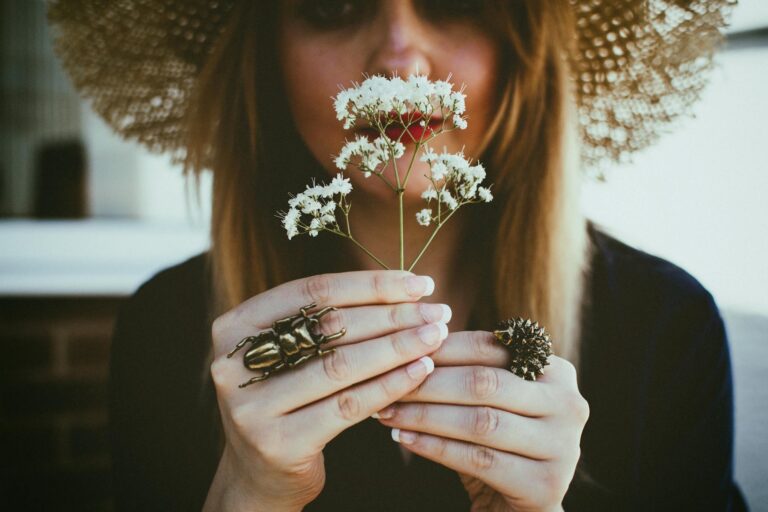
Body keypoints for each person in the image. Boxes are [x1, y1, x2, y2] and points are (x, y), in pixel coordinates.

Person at [49, 0, 749, 510]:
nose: (398, 58)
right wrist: (246, 499)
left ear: (526, 47)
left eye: (454, 2)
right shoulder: (168, 333)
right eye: (334, 6)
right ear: (264, 53)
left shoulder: (663, 327)